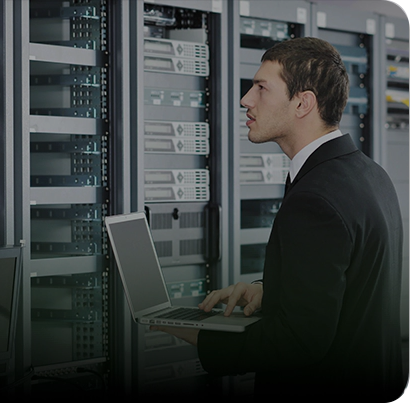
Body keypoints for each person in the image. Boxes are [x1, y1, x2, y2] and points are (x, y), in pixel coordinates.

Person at [151, 37, 406, 401]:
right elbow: (351, 287)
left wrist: (193, 331)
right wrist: (271, 289)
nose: (246, 100)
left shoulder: (315, 198)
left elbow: (300, 343)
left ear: (303, 103)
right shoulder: (368, 173)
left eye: (261, 88)